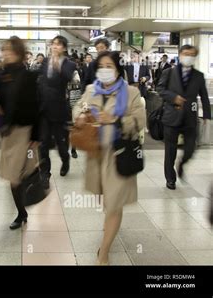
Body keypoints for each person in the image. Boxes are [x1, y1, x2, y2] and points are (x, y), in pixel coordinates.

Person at [73, 51, 146, 265]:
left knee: (114, 205)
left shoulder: (131, 92)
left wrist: (114, 119)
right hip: (96, 154)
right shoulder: (90, 90)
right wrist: (78, 116)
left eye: (109, 66)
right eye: (101, 66)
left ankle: (103, 253)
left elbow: (139, 121)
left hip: (120, 153)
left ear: (117, 69)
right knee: (104, 200)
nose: (105, 70)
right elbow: (79, 107)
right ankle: (108, 230)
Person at [0, 36, 39, 229]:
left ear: (18, 52)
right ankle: (22, 211)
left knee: (15, 177)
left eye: (9, 50)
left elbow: (37, 108)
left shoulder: (29, 76)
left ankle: (21, 212)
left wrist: (36, 137)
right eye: (4, 50)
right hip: (7, 131)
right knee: (12, 175)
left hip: (24, 132)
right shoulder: (3, 74)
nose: (5, 53)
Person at [157, 45, 211, 190]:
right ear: (180, 55)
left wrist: (207, 116)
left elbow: (204, 96)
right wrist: (174, 97)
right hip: (172, 116)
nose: (188, 56)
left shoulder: (198, 76)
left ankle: (181, 164)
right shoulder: (169, 72)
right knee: (170, 150)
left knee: (191, 147)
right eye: (186, 53)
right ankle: (170, 179)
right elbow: (160, 89)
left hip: (190, 119)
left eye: (192, 54)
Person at [38, 35, 77, 185]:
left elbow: (67, 77)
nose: (54, 46)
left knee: (61, 144)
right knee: (43, 143)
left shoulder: (69, 64)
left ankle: (65, 159)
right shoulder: (45, 62)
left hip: (60, 110)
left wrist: (57, 65)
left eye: (58, 44)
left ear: (64, 48)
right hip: (44, 109)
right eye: (53, 44)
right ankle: (44, 174)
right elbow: (40, 80)